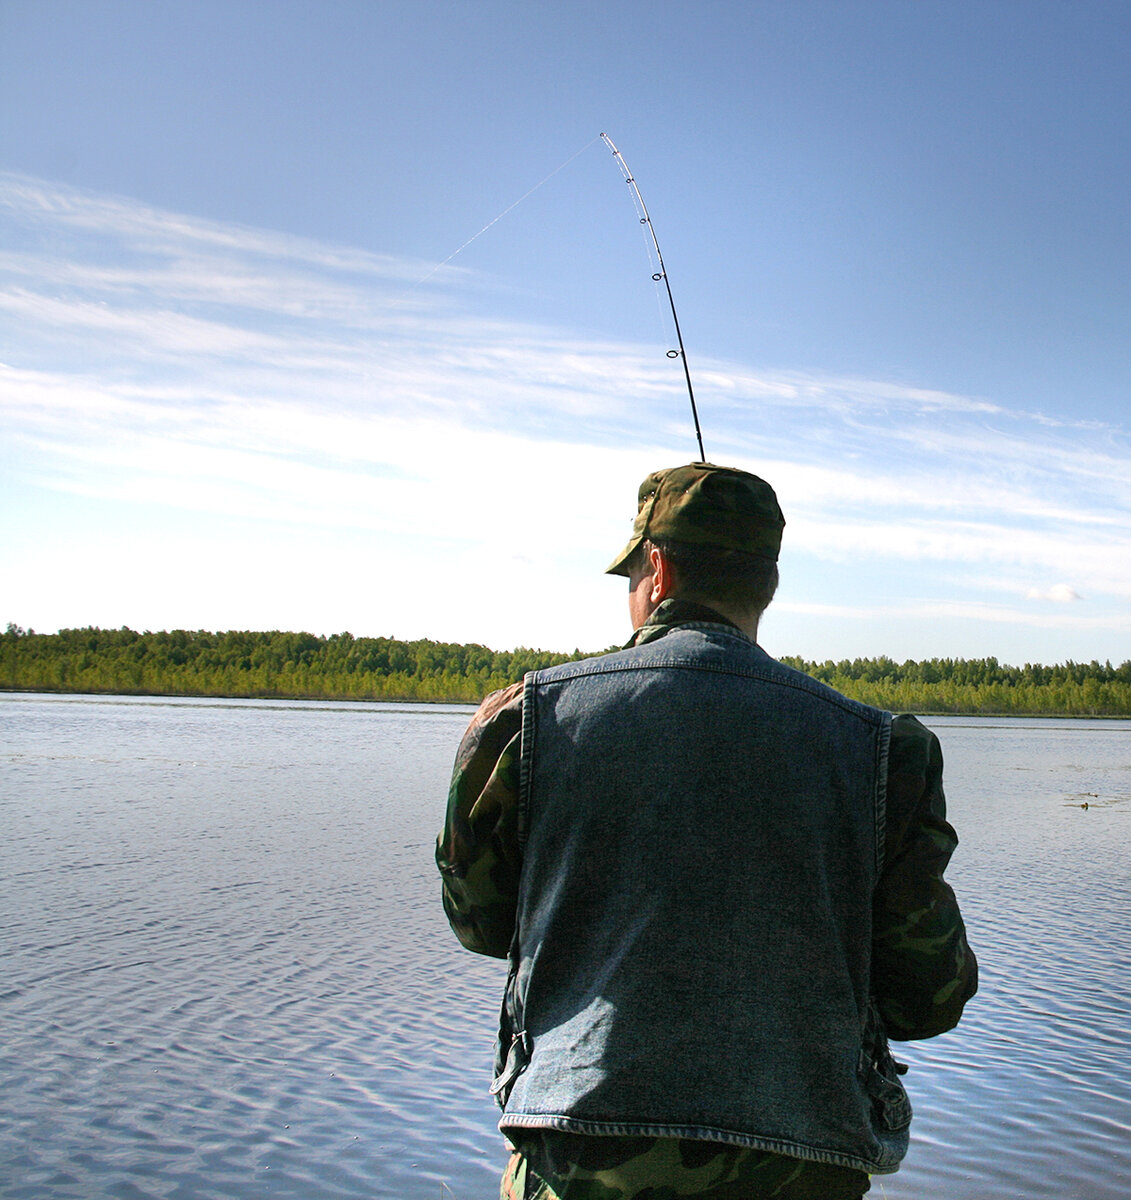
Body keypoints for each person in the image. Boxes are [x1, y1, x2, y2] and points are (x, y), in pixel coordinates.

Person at [437, 462, 977, 1200]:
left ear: (655, 570)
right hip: (804, 1159)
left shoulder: (521, 721)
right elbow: (929, 997)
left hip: (579, 1150)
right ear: (768, 585)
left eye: (629, 572)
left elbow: (478, 924)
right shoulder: (887, 751)